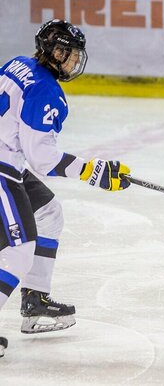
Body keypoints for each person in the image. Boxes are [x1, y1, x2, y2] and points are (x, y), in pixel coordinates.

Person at [0, 19, 131, 357]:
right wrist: (95, 171)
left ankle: (35, 301)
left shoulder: (19, 63)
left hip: (7, 160)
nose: (75, 62)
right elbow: (42, 159)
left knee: (49, 213)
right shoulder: (46, 89)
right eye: (71, 55)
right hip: (2, 169)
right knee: (18, 251)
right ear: (56, 52)